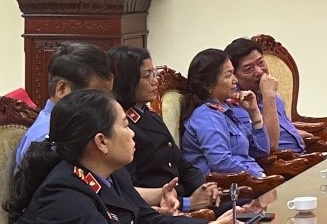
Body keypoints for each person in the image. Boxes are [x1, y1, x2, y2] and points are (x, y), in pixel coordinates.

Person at [4, 89, 249, 224]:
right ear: (101, 142)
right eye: (124, 125)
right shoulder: (61, 193)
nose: (132, 133)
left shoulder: (113, 173)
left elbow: (148, 222)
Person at [109, 46, 219, 214]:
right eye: (147, 76)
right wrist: (187, 203)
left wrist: (204, 188)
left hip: (185, 199)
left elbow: (182, 165)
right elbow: (127, 190)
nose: (155, 81)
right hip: (159, 210)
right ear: (127, 80)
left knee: (243, 211)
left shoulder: (150, 116)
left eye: (154, 74)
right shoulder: (122, 127)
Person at [15, 42, 114, 167]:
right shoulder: (46, 140)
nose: (106, 104)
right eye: (94, 96)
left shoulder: (80, 125)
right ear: (62, 89)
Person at [180, 49, 269, 177]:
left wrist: (254, 113)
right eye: (228, 75)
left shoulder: (225, 109)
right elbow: (221, 162)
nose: (235, 80)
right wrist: (257, 176)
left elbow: (261, 151)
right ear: (208, 85)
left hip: (248, 177)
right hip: (230, 184)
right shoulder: (207, 116)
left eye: (233, 73)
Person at [224, 38, 306, 153]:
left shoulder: (267, 88)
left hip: (302, 153)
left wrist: (295, 134)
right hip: (280, 160)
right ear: (235, 75)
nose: (259, 71)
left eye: (261, 63)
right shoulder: (237, 103)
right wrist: (268, 96)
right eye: (249, 69)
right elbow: (270, 145)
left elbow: (282, 126)